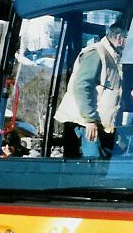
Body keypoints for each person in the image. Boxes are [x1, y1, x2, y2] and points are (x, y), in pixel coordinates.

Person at [54, 21, 126, 158]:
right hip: (89, 124)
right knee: (94, 166)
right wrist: (90, 119)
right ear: (119, 38)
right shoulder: (96, 53)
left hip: (102, 125)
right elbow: (81, 86)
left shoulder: (113, 57)